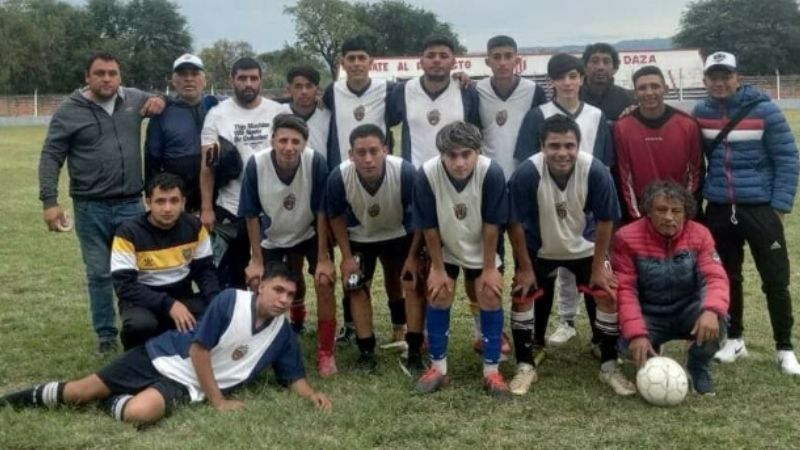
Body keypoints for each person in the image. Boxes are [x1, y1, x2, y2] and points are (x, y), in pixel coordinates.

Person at [0, 262, 332, 425]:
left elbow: (292, 377)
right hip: (165, 355)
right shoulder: (231, 301)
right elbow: (198, 350)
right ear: (261, 286)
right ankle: (9, 400)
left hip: (188, 385)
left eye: (290, 295)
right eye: (278, 290)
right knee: (78, 393)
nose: (284, 299)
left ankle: (110, 400)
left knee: (139, 413)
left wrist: (311, 394)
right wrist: (218, 401)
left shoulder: (283, 333)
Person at [38, 51, 166, 356]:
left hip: (130, 205)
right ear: (87, 76)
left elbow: (162, 99)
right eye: (99, 73)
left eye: (112, 73)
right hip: (89, 206)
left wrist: (161, 99)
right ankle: (106, 336)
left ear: (120, 76)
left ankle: (141, 327)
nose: (106, 78)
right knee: (98, 273)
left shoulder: (134, 100)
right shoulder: (69, 110)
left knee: (138, 271)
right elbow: (51, 155)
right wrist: (49, 201)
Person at [508, 115, 634, 396]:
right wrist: (524, 267)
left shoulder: (595, 170)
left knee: (606, 291)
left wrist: (601, 266)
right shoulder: (527, 172)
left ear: (579, 145)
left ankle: (609, 363)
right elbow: (514, 222)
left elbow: (605, 222)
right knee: (522, 294)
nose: (562, 153)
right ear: (542, 146)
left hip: (586, 247)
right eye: (554, 146)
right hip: (540, 248)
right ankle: (526, 365)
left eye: (569, 145)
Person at [694, 51, 800, 375]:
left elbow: (787, 158)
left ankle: (784, 347)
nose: (720, 82)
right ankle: (735, 339)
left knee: (776, 281)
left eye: (726, 76)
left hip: (760, 208)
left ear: (738, 78)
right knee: (727, 277)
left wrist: (780, 207)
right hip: (721, 208)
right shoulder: (700, 113)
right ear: (705, 80)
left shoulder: (765, 110)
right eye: (714, 76)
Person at [515, 53, 613, 352]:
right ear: (552, 81)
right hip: (547, 211)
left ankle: (600, 340)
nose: (568, 82)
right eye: (561, 77)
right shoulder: (537, 115)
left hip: (582, 211)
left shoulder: (596, 115)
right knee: (547, 272)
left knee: (591, 273)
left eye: (573, 76)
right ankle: (554, 329)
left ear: (582, 78)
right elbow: (530, 162)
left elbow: (603, 166)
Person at [412, 121, 510, 399]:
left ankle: (492, 372)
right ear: (441, 153)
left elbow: (493, 225)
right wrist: (438, 268)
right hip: (447, 247)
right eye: (451, 155)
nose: (459, 162)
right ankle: (438, 369)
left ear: (477, 151)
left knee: (490, 295)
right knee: (439, 293)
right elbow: (428, 225)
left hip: (483, 248)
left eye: (466, 154)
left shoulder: (491, 172)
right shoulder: (427, 174)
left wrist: (490, 268)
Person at [238, 114, 338, 377]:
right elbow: (250, 214)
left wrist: (324, 256)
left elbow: (322, 211)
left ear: (304, 143)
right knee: (262, 285)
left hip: (308, 232)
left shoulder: (315, 161)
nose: (289, 147)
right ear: (272, 140)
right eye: (283, 140)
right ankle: (269, 340)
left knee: (325, 280)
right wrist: (256, 259)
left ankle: (326, 351)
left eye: (296, 141)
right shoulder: (256, 164)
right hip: (273, 236)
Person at [614, 181, 729, 395]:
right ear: (648, 211)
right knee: (624, 346)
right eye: (661, 210)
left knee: (719, 322)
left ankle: (697, 367)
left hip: (687, 311)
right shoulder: (626, 237)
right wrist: (636, 333)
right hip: (650, 313)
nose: (669, 217)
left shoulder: (700, 234)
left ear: (685, 213)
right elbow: (625, 290)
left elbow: (715, 278)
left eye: (676, 211)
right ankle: (651, 352)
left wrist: (711, 310)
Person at [324, 124, 415, 371]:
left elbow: (419, 215)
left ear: (385, 149)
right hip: (360, 236)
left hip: (397, 233)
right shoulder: (339, 176)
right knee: (354, 286)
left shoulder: (404, 172)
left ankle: (402, 329)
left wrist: (414, 255)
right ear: (350, 154)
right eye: (360, 152)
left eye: (374, 151)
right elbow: (335, 216)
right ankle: (366, 351)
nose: (367, 159)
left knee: (400, 279)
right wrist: (346, 256)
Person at [199, 57, 290, 290]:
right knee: (233, 272)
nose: (248, 83)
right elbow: (207, 167)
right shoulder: (217, 115)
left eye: (253, 78)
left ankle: (270, 321)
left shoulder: (278, 112)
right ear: (232, 80)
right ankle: (236, 321)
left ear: (261, 80)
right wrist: (207, 208)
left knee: (272, 272)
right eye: (242, 78)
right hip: (232, 206)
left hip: (271, 205)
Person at [111, 173, 220, 350]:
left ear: (183, 202)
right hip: (142, 301)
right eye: (160, 201)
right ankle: (136, 360)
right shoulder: (128, 233)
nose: (167, 208)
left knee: (216, 314)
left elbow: (205, 271)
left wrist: (216, 301)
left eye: (174, 201)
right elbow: (125, 286)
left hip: (182, 296)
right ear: (148, 202)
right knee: (140, 325)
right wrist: (168, 305)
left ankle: (187, 353)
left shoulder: (195, 227)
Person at [614, 65, 703, 220]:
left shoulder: (688, 124)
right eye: (642, 88)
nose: (649, 92)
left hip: (678, 207)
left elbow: (696, 172)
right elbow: (624, 177)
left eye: (655, 86)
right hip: (642, 210)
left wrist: (682, 210)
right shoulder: (622, 127)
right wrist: (636, 216)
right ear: (635, 93)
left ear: (666, 89)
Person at [145, 54, 218, 214]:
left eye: (194, 74)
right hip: (178, 199)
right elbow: (152, 161)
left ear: (204, 80)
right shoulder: (162, 113)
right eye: (183, 74)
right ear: (173, 80)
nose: (189, 79)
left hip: (217, 197)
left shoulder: (217, 108)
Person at [477, 35, 547, 180]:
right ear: (487, 61)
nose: (502, 63)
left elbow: (542, 136)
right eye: (496, 57)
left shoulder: (534, 91)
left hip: (525, 174)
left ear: (517, 60)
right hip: (487, 174)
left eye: (508, 56)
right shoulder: (477, 91)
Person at [579, 42, 635, 124]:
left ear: (615, 68)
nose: (600, 67)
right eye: (594, 61)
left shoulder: (628, 99)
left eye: (606, 62)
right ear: (584, 66)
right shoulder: (574, 97)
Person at [286, 65, 331, 156]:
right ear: (289, 90)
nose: (304, 91)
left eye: (309, 86)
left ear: (317, 89)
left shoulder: (329, 116)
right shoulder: (278, 113)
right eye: (298, 86)